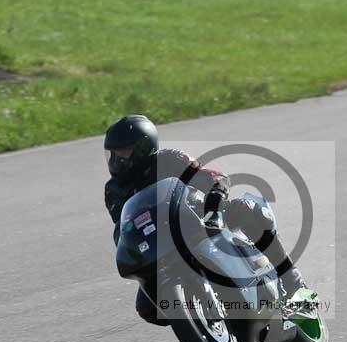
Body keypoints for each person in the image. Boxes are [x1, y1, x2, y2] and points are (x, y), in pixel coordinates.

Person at [103, 114, 306, 324]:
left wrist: (214, 201)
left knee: (248, 209)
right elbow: (124, 226)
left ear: (144, 147)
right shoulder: (113, 190)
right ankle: (202, 317)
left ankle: (292, 281)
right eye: (112, 153)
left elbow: (213, 177)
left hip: (202, 218)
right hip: (161, 242)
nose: (116, 160)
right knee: (147, 307)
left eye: (123, 152)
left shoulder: (170, 159)